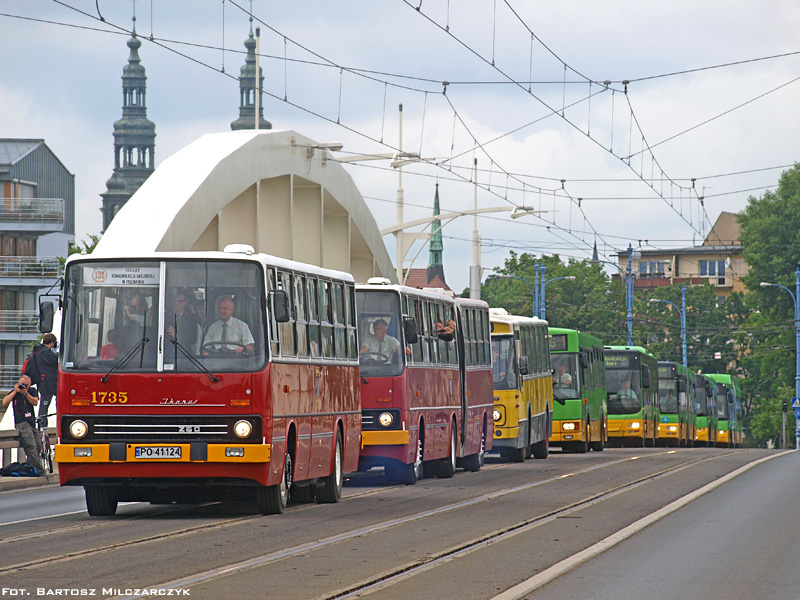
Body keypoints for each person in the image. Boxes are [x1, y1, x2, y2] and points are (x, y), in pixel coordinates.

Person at [2, 375, 43, 473]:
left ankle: (31, 466)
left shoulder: (32, 391)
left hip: (31, 422)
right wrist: (16, 391)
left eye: (26, 384)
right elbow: (5, 402)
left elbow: (35, 402)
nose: (24, 386)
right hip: (21, 422)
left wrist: (26, 393)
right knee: (31, 446)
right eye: (22, 384)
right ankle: (39, 470)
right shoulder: (15, 392)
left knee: (38, 445)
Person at [29, 333, 58, 419]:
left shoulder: (39, 351)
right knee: (44, 407)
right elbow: (56, 360)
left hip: (45, 382)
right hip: (48, 383)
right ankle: (42, 427)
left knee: (44, 406)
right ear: (52, 343)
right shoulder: (45, 352)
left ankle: (42, 427)